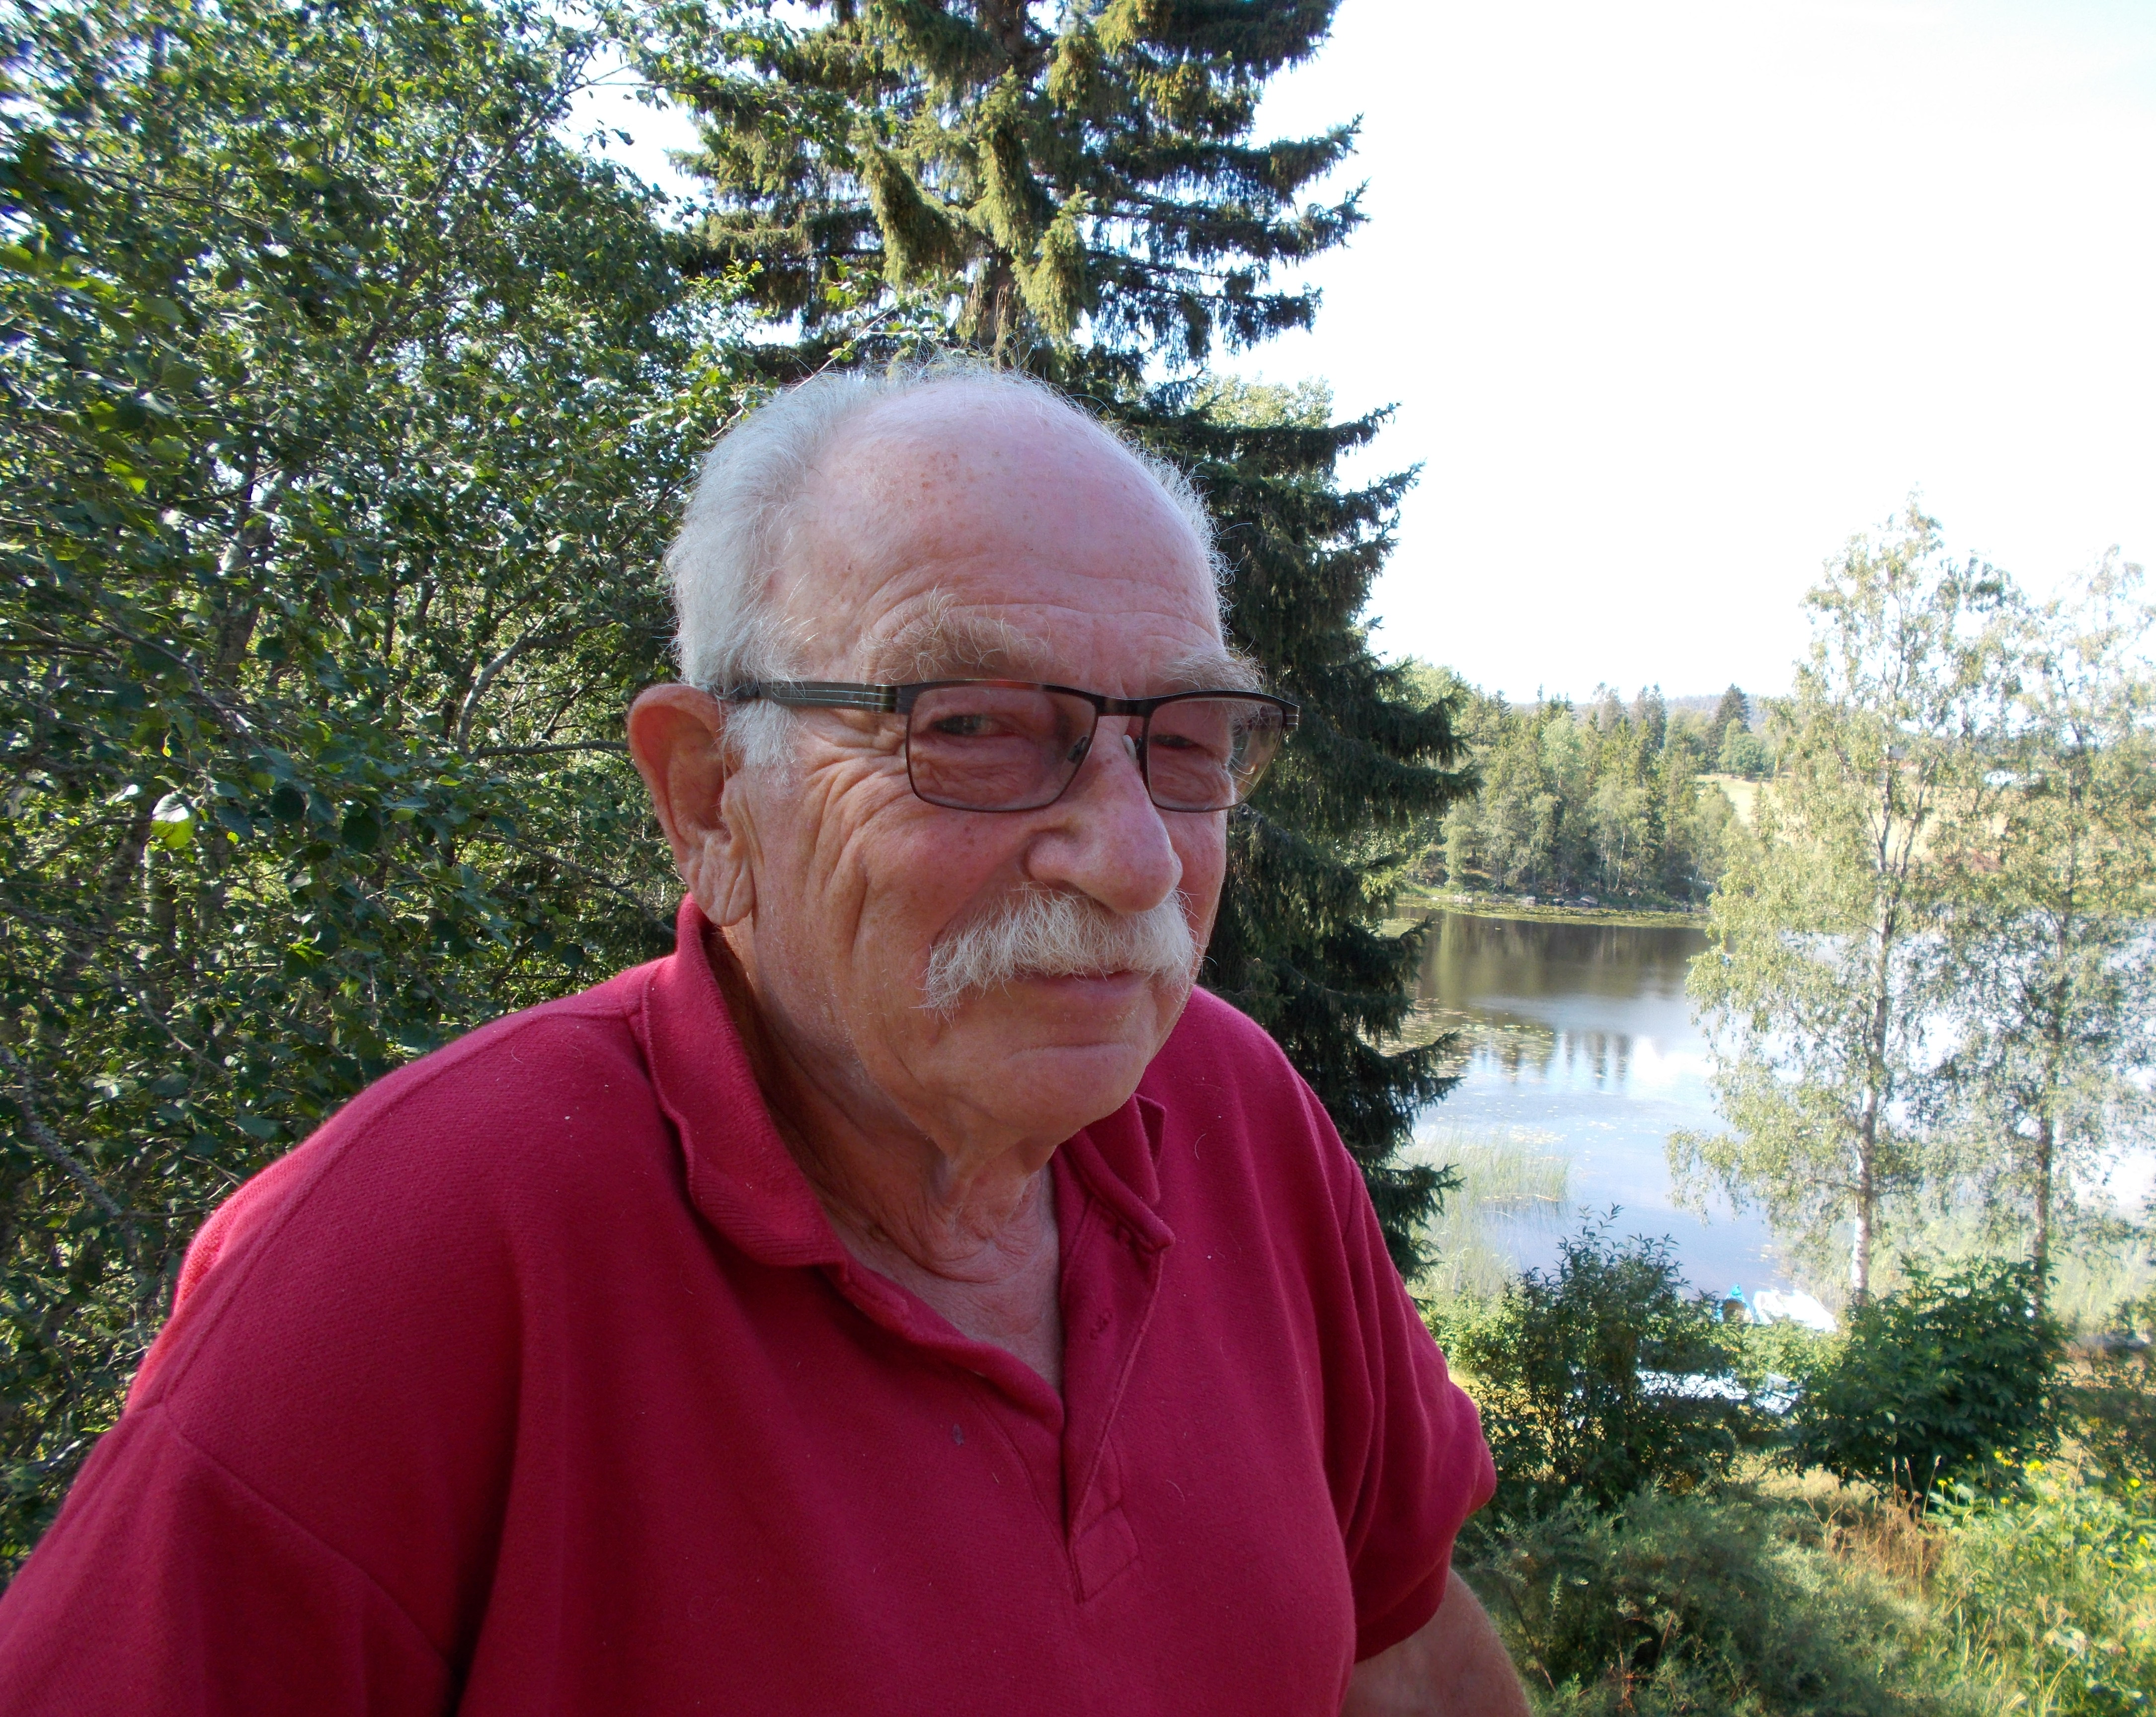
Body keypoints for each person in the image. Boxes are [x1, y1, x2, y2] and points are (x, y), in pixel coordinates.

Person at [0, 365, 1521, 1715]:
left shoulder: (1243, 1118)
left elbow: (1397, 1647)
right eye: (971, 728)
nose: (1131, 861)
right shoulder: (405, 1260)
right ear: (712, 797)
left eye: (1185, 747)